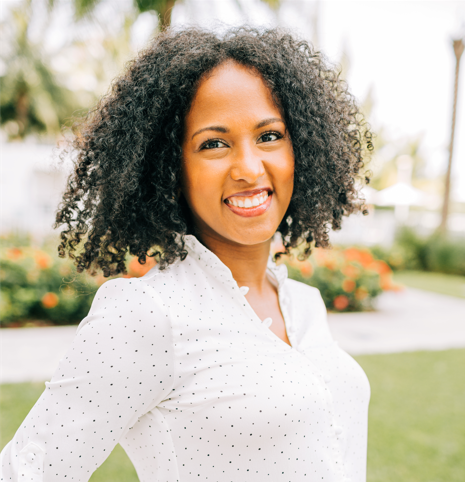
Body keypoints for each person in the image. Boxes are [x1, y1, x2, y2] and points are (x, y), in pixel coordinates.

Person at [1, 26, 373, 481]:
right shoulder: (148, 315)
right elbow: (29, 470)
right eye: (213, 143)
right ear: (169, 168)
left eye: (269, 135)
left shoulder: (303, 305)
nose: (249, 168)